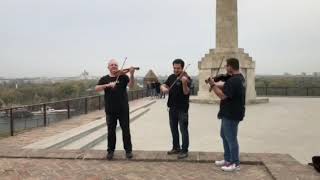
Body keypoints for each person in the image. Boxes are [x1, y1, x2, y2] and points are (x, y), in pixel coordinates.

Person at [208, 58, 246, 172]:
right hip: (228, 112)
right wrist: (215, 84)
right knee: (224, 136)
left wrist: (213, 85)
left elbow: (223, 96)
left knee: (231, 138)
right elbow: (226, 87)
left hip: (231, 113)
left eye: (226, 65)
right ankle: (228, 159)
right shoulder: (238, 78)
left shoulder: (234, 80)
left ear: (230, 66)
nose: (225, 67)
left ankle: (235, 163)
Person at [95, 59, 135, 160]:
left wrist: (132, 74)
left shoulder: (123, 77)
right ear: (108, 67)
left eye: (116, 65)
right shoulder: (104, 78)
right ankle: (110, 151)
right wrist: (108, 85)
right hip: (110, 109)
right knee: (111, 131)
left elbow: (131, 85)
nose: (114, 66)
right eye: (112, 65)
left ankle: (128, 151)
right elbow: (97, 88)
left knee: (126, 130)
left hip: (123, 109)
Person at [161, 59, 191, 159]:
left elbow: (186, 92)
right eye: (174, 68)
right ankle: (176, 147)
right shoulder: (171, 77)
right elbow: (164, 85)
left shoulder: (186, 78)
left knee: (183, 130)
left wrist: (184, 83)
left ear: (182, 68)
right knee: (174, 129)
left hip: (182, 109)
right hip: (172, 108)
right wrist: (163, 88)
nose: (176, 70)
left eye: (178, 68)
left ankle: (184, 150)